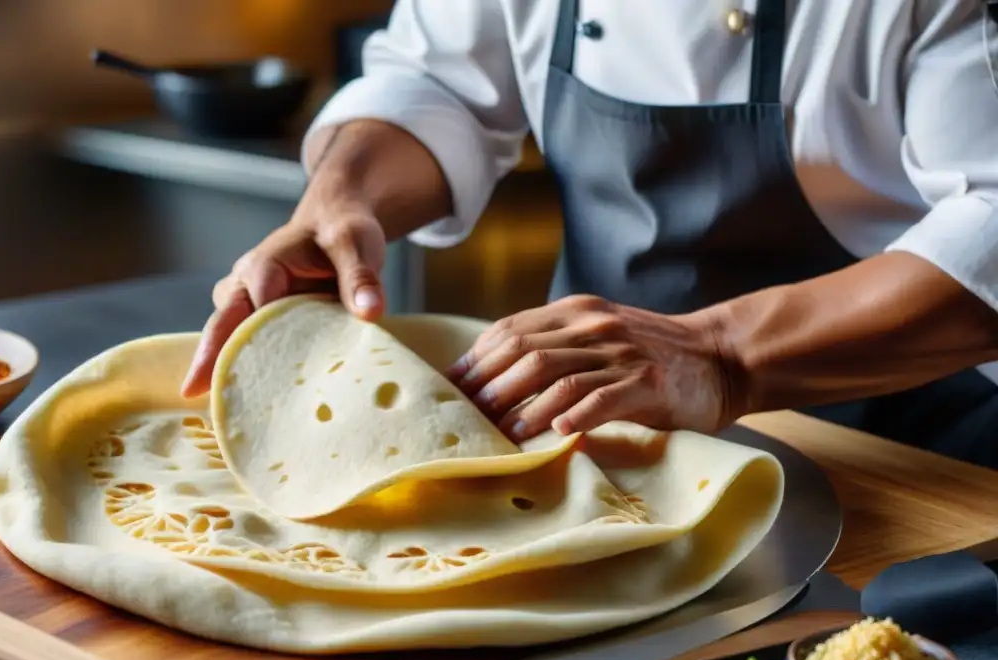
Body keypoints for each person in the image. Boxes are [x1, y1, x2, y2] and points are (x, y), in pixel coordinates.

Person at [182, 0, 998, 468]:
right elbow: (436, 81)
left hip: (906, 460)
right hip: (600, 444)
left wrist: (719, 353)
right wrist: (341, 195)